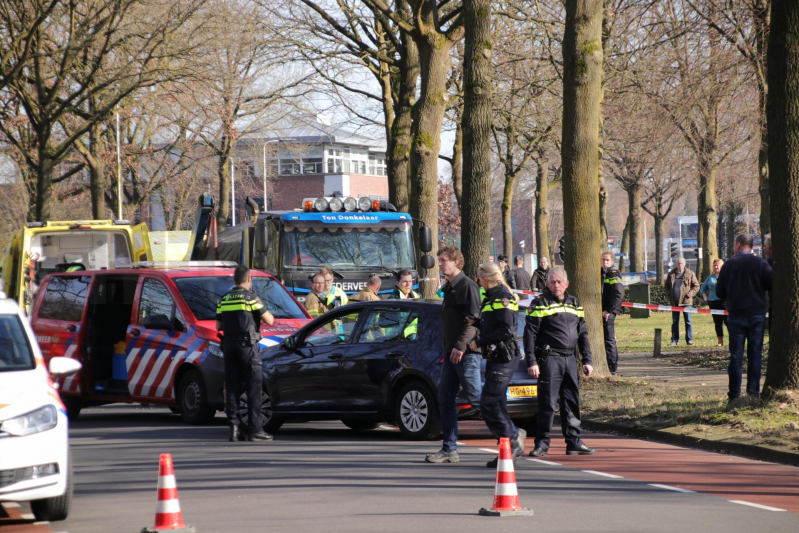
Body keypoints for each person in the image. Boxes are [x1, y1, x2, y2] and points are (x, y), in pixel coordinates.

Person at [524, 266, 595, 457]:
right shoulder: (539, 303)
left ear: (566, 284)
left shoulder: (575, 304)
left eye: (559, 282)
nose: (556, 285)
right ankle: (542, 444)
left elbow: (583, 334)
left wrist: (587, 360)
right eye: (552, 282)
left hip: (570, 359)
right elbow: (529, 334)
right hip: (550, 360)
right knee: (547, 403)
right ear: (547, 283)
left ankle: (574, 442)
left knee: (571, 402)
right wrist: (532, 361)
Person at [425, 246, 482, 464]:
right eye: (439, 260)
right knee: (445, 400)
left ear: (456, 262)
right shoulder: (449, 288)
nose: (439, 263)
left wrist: (459, 346)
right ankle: (449, 449)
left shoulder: (467, 286)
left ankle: (512, 433)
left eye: (443, 260)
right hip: (451, 354)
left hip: (466, 354)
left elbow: (473, 322)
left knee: (476, 398)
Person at [466, 262, 526, 468]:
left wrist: (479, 341)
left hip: (505, 356)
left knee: (489, 402)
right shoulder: (492, 296)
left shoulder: (502, 297)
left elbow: (506, 330)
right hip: (496, 356)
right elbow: (495, 324)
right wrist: (478, 323)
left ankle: (513, 437)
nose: (478, 281)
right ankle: (507, 448)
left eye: (479, 278)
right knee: (497, 402)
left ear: (485, 278)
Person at [216, 265, 275, 442]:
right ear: (248, 279)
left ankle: (234, 429)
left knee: (233, 388)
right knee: (253, 388)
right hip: (248, 347)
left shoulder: (224, 299)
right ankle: (256, 429)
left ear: (235, 279)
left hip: (229, 346)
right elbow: (270, 320)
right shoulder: (251, 298)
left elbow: (218, 326)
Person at [715, 234, 772, 403]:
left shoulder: (729, 265)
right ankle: (753, 393)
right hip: (756, 315)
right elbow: (772, 284)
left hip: (736, 315)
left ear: (738, 245)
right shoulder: (761, 263)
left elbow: (719, 293)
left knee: (736, 356)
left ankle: (733, 395)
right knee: (755, 355)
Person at [663, 257, 700, 346]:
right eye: (678, 263)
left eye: (681, 263)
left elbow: (696, 286)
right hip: (674, 303)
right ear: (676, 264)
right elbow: (666, 287)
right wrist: (669, 294)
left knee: (688, 321)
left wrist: (689, 294)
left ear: (684, 264)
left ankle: (689, 340)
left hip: (686, 303)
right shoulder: (671, 274)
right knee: (675, 322)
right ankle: (674, 340)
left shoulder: (690, 273)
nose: (680, 265)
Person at [600, 251, 624, 374]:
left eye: (607, 260)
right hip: (603, 310)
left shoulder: (613, 273)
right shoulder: (603, 272)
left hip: (609, 312)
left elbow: (618, 294)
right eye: (603, 260)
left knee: (609, 340)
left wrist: (609, 310)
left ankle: (612, 367)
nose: (605, 262)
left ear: (612, 261)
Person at [701, 259, 729, 347]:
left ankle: (733, 339)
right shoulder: (710, 277)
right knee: (717, 322)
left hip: (724, 302)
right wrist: (704, 295)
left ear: (721, 266)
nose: (716, 267)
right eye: (715, 265)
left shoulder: (726, 277)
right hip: (713, 302)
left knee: (728, 322)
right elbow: (703, 288)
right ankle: (720, 341)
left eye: (718, 265)